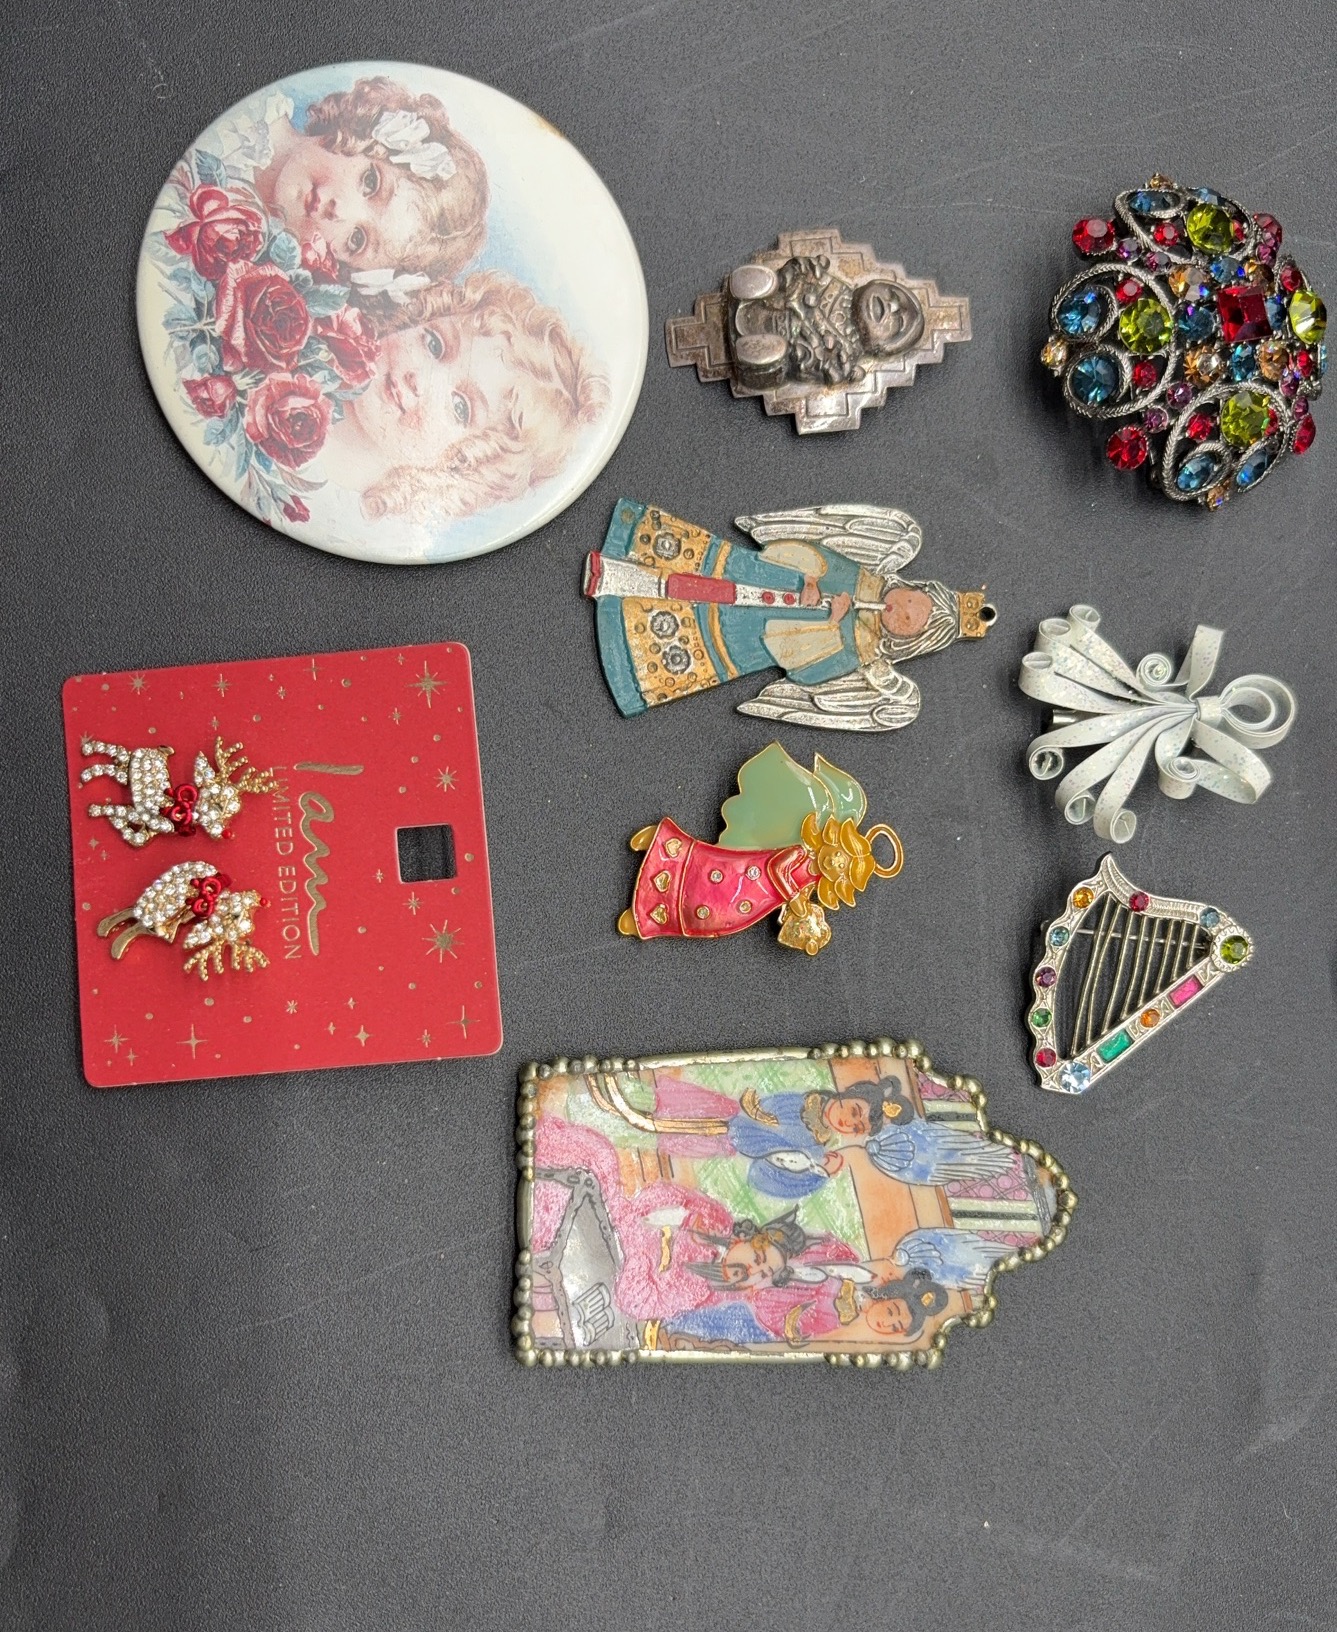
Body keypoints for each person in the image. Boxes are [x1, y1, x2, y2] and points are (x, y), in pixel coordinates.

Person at [320, 270, 608, 523]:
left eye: (460, 407)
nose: (421, 380)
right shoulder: (314, 337)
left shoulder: (365, 524)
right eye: (434, 344)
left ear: (464, 465)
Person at [249, 75, 489, 286]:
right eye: (370, 182)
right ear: (364, 130)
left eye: (356, 240)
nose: (339, 212)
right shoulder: (252, 109)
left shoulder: (241, 258)